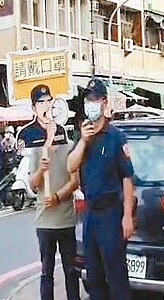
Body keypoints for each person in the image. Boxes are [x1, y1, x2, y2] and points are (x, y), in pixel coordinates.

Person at [66, 78, 135, 300]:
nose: (91, 104)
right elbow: (71, 166)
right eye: (88, 100)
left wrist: (127, 217)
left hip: (111, 213)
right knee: (93, 274)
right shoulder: (83, 136)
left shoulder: (115, 137)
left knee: (115, 274)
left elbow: (127, 177)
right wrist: (84, 141)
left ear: (104, 103)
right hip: (90, 213)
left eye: (95, 99)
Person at [29, 104, 80, 300]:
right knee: (46, 272)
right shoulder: (37, 149)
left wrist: (57, 196)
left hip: (66, 220)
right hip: (44, 222)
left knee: (70, 271)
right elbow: (33, 184)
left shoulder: (70, 148)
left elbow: (75, 181)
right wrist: (41, 170)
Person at [17, 85, 68, 149]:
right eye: (41, 103)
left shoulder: (60, 130)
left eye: (49, 101)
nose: (46, 106)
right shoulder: (25, 134)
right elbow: (28, 158)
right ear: (34, 108)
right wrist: (49, 139)